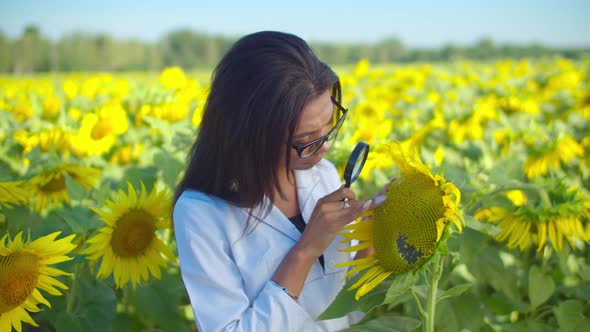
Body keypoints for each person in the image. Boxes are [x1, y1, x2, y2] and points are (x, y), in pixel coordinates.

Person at [173, 31, 388, 332]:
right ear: (250, 135)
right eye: (306, 140)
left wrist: (377, 233)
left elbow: (343, 312)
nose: (325, 147)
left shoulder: (322, 174)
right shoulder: (202, 213)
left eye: (330, 125)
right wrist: (305, 251)